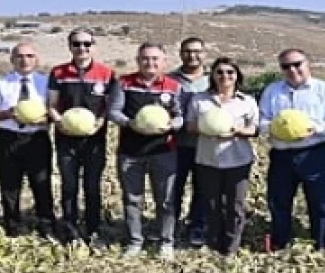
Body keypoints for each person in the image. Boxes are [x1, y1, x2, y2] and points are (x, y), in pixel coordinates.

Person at [259, 48, 325, 250]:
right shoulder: (272, 91)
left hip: (315, 153)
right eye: (286, 66)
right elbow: (262, 119)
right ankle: (280, 243)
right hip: (282, 155)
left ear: (308, 64)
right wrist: (274, 129)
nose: (292, 69)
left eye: (297, 64)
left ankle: (321, 245)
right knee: (279, 201)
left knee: (320, 203)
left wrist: (318, 128)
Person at [108, 42, 184, 258]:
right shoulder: (124, 83)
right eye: (145, 58)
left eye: (155, 59)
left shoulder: (172, 85)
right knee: (132, 199)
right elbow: (113, 112)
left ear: (163, 62)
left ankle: (166, 241)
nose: (150, 63)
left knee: (166, 199)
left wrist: (173, 125)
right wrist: (130, 123)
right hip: (131, 152)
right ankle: (135, 241)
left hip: (163, 151)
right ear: (138, 60)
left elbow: (180, 115)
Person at [46, 29, 116, 245]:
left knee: (92, 186)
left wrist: (101, 122)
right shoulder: (58, 73)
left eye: (87, 44)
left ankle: (93, 229)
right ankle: (70, 229)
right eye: (77, 44)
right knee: (69, 186)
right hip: (66, 139)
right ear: (70, 47)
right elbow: (51, 105)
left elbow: (110, 106)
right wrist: (60, 122)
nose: (82, 48)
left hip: (94, 139)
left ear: (93, 46)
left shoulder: (107, 73)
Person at [185, 57, 259, 256]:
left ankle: (231, 247)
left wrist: (239, 130)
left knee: (235, 205)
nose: (224, 76)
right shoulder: (199, 99)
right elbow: (190, 125)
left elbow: (255, 128)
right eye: (219, 72)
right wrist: (207, 128)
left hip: (238, 160)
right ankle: (214, 244)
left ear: (237, 76)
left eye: (230, 72)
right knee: (211, 204)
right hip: (208, 159)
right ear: (213, 76)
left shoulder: (247, 101)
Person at [0, 41, 56, 236]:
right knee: (9, 185)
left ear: (36, 60)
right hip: (8, 138)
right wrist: (7, 114)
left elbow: (56, 111)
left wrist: (45, 119)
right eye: (20, 56)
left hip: (37, 139)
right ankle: (13, 226)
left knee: (41, 183)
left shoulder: (47, 83)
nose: (25, 60)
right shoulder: (1, 84)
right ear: (12, 60)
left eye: (29, 56)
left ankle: (46, 224)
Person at [169, 36, 211, 247]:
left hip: (206, 144)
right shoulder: (169, 79)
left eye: (197, 51)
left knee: (203, 189)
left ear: (204, 54)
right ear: (180, 53)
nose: (192, 55)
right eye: (187, 51)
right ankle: (170, 226)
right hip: (175, 144)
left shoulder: (215, 79)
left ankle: (198, 227)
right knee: (173, 188)